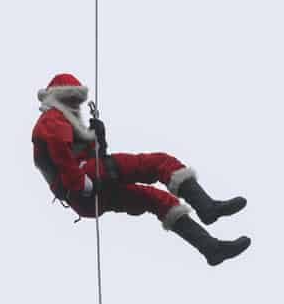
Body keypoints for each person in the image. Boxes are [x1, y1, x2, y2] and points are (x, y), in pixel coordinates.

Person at [31, 73, 251, 267]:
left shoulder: (67, 124)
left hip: (84, 197)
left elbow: (89, 159)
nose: (75, 105)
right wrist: (83, 183)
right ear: (58, 99)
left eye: (77, 100)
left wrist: (98, 139)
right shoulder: (53, 119)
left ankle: (211, 248)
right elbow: (62, 155)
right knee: (158, 163)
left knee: (155, 200)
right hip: (82, 185)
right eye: (71, 99)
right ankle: (206, 207)